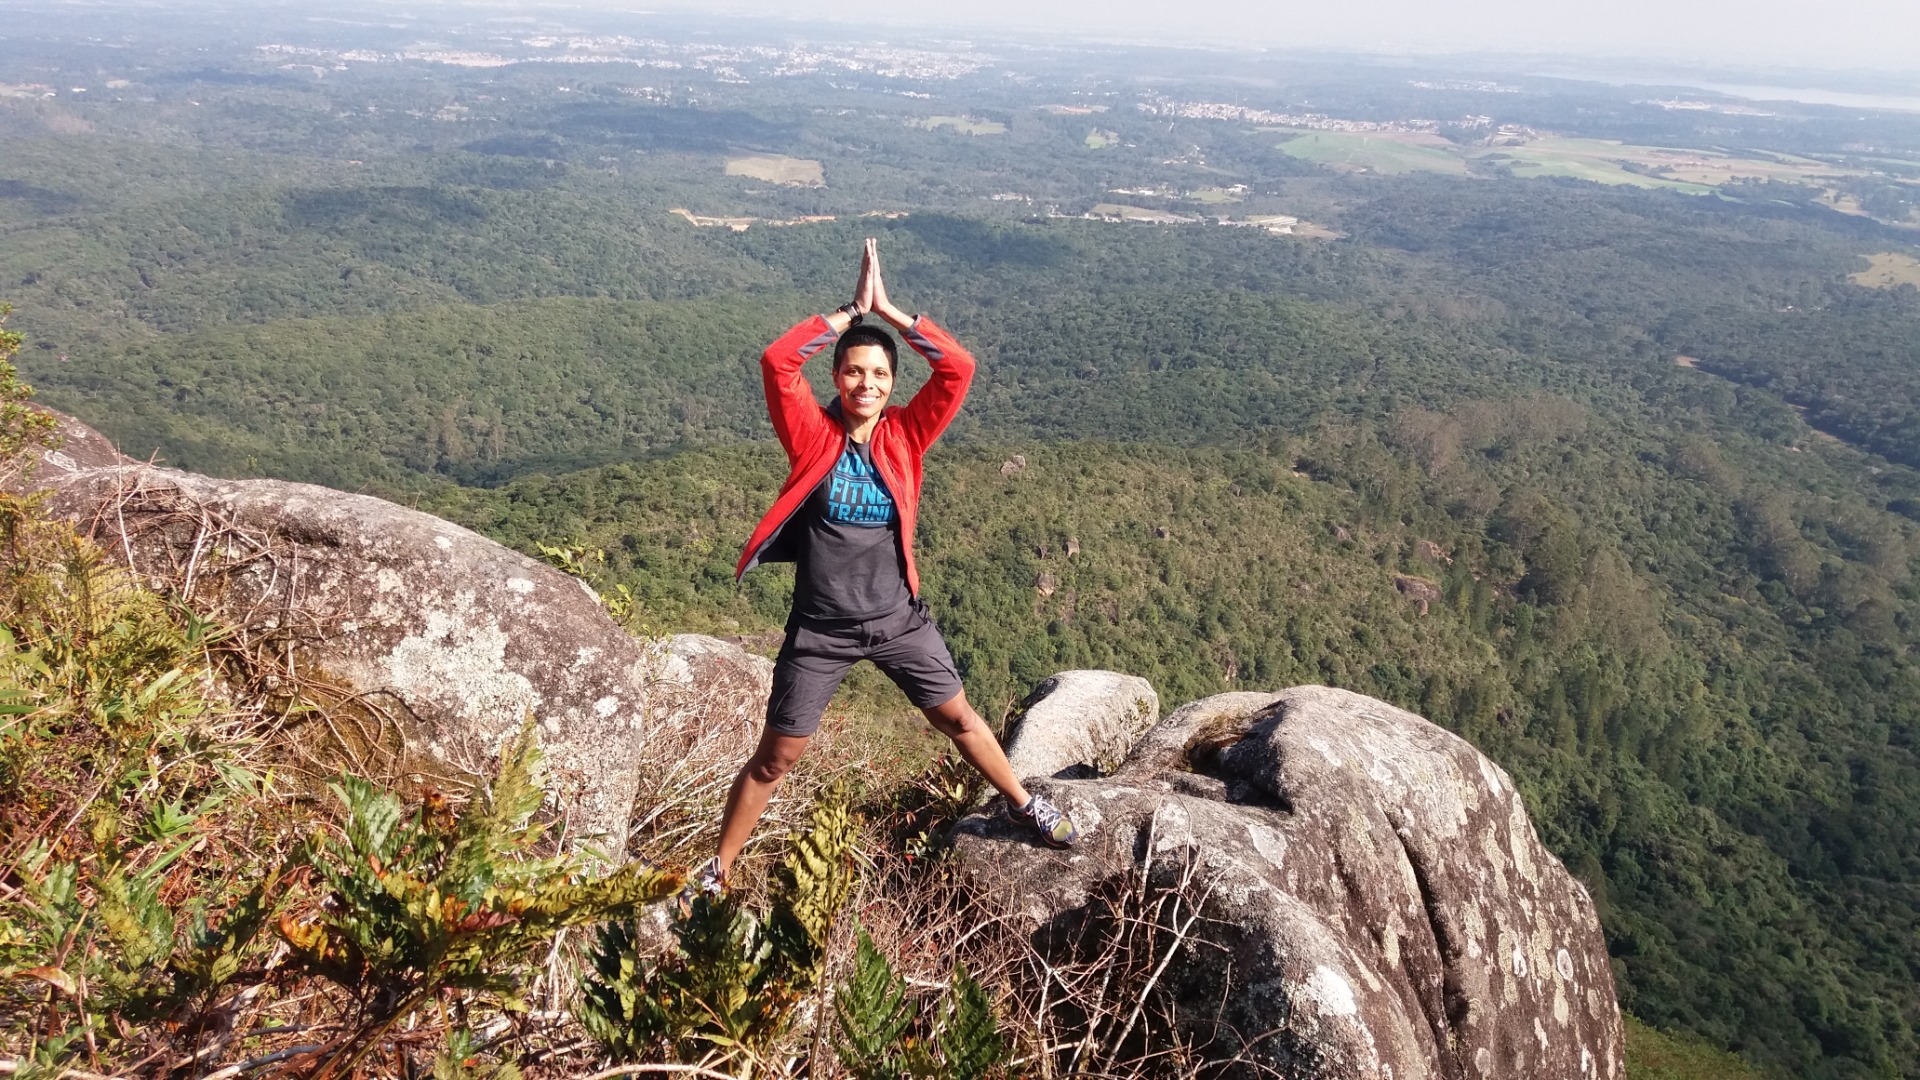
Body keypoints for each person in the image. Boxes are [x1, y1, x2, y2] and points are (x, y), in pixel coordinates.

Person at [691, 238, 1076, 894]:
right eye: (853, 372)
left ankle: (1024, 803)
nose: (866, 384)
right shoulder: (813, 435)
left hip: (898, 618)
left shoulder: (905, 434)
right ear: (836, 376)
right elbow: (778, 360)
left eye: (879, 375)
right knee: (775, 759)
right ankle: (716, 868)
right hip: (821, 630)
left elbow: (957, 367)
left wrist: (892, 313)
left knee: (959, 720)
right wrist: (849, 312)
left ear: (892, 384)